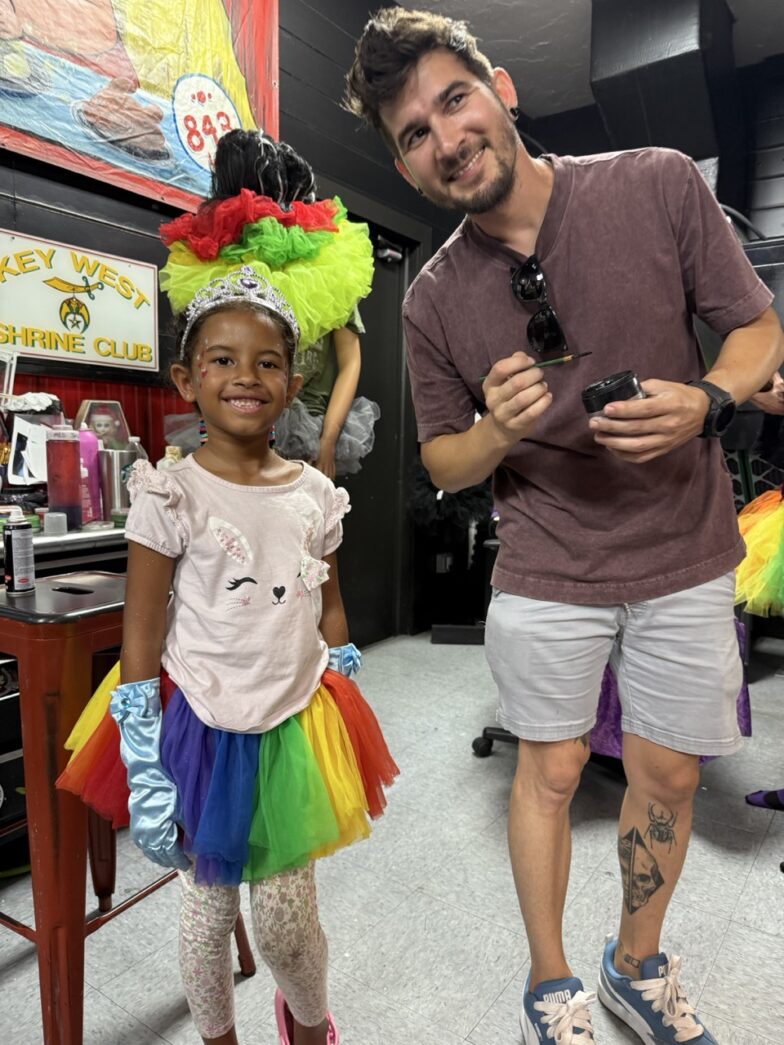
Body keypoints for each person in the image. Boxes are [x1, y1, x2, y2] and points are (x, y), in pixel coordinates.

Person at [345, 9, 784, 1044]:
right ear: (405, 167)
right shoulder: (433, 298)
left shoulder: (657, 181)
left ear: (499, 87)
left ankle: (635, 964)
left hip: (682, 545)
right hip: (545, 563)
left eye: (452, 100)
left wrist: (710, 401)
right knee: (545, 774)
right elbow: (444, 458)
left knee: (668, 771)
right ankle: (550, 984)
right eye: (412, 133)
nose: (445, 139)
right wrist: (495, 431)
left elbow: (757, 327)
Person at [57, 266, 398, 1045]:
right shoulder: (170, 492)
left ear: (294, 381)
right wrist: (144, 761)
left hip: (290, 723)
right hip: (197, 724)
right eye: (221, 358)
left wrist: (343, 675)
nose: (245, 376)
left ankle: (309, 1023)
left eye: (267, 361)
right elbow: (141, 633)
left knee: (284, 923)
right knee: (205, 918)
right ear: (186, 378)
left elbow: (329, 599)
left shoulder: (316, 493)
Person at [170, 129, 379, 479]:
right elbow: (199, 359)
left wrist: (328, 440)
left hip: (308, 428)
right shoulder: (212, 261)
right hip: (231, 429)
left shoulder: (328, 264)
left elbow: (351, 360)